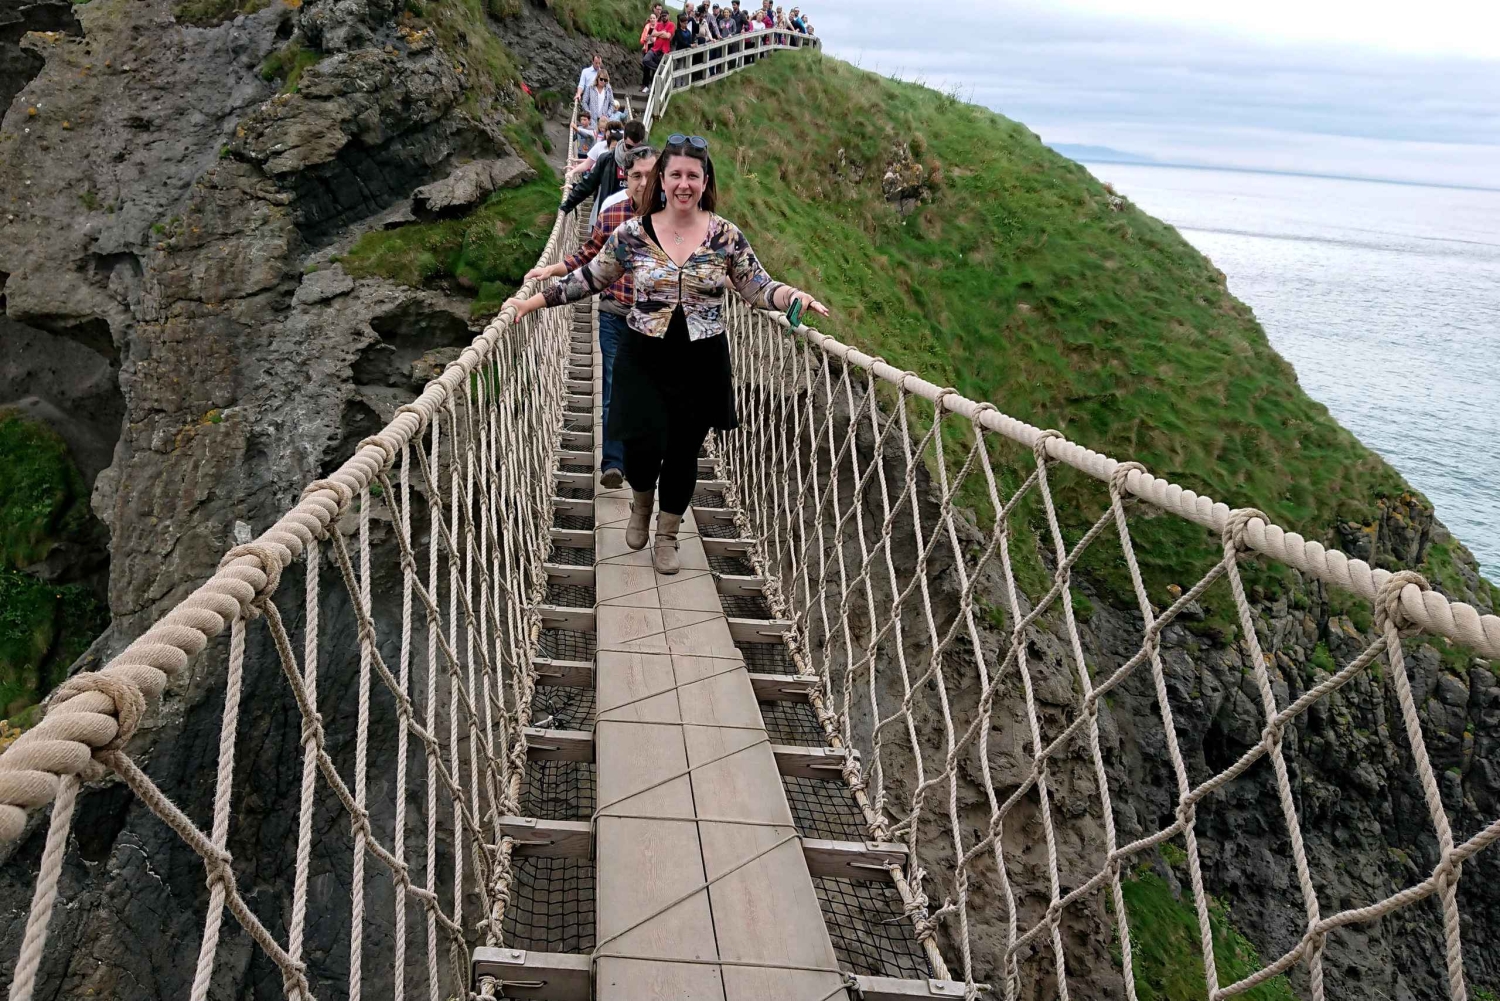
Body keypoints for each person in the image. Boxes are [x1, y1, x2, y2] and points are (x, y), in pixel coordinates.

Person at [505, 135, 828, 574]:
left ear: (705, 180)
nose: (683, 183)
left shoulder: (725, 235)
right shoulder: (633, 233)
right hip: (643, 355)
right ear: (662, 179)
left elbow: (757, 286)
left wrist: (794, 296)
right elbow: (590, 278)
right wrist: (532, 302)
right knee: (640, 447)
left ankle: (667, 534)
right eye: (675, 174)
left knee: (682, 452)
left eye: (692, 175)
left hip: (701, 359)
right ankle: (640, 506)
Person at [525, 145, 661, 490]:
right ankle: (613, 463)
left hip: (658, 324)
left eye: (650, 174)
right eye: (636, 175)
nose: (644, 182)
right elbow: (590, 255)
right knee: (614, 389)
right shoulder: (614, 212)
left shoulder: (677, 218)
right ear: (625, 178)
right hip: (615, 315)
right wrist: (552, 270)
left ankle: (641, 462)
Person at [564, 119, 645, 227]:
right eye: (629, 147)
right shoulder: (607, 160)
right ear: (623, 137)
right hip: (608, 220)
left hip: (634, 224)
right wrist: (566, 207)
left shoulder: (648, 164)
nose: (632, 152)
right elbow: (588, 185)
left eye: (637, 148)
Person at [641, 11, 673, 92]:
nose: (663, 17)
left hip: (664, 50)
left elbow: (668, 35)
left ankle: (655, 89)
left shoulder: (671, 24)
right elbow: (653, 34)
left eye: (665, 16)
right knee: (645, 60)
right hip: (654, 48)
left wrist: (658, 33)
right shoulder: (658, 24)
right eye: (662, 16)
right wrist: (662, 32)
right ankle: (658, 69)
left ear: (668, 16)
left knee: (656, 73)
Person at [581, 70, 614, 136]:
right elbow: (584, 102)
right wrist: (588, 112)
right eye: (601, 79)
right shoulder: (590, 88)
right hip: (592, 119)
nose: (603, 81)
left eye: (605, 80)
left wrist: (607, 115)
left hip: (604, 120)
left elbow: (612, 104)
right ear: (597, 78)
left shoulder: (608, 90)